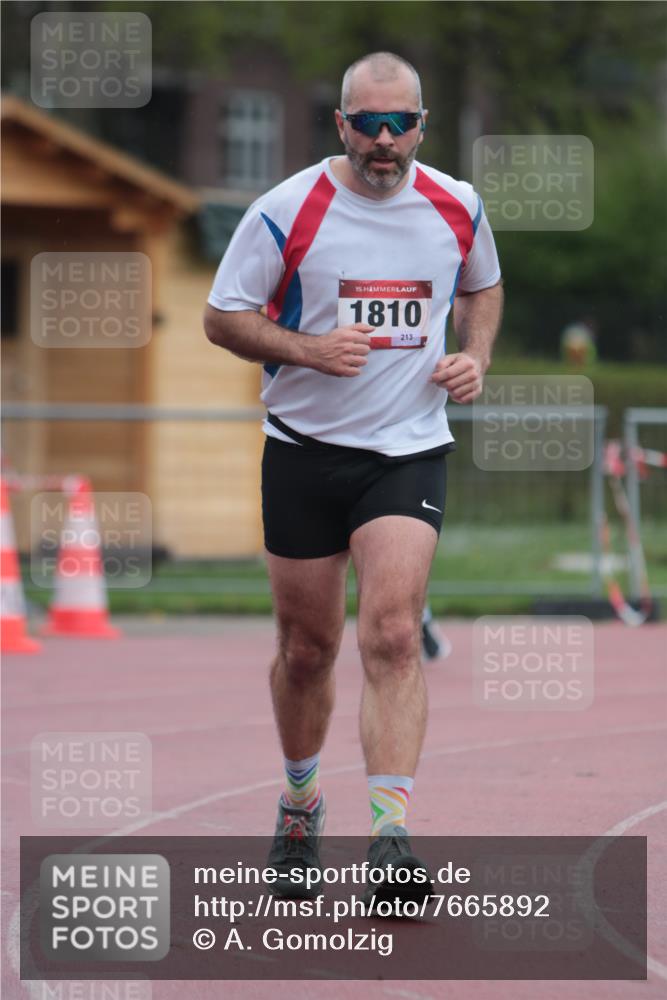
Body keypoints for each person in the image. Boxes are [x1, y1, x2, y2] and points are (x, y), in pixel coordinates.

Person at [204, 51, 503, 904]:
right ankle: (301, 802)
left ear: (420, 126)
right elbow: (222, 317)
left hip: (406, 447)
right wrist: (307, 350)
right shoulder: (285, 210)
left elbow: (483, 286)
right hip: (302, 446)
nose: (382, 140)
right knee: (307, 651)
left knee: (394, 633)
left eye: (397, 123)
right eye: (365, 123)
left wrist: (473, 358)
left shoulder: (457, 205)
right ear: (340, 124)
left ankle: (390, 835)